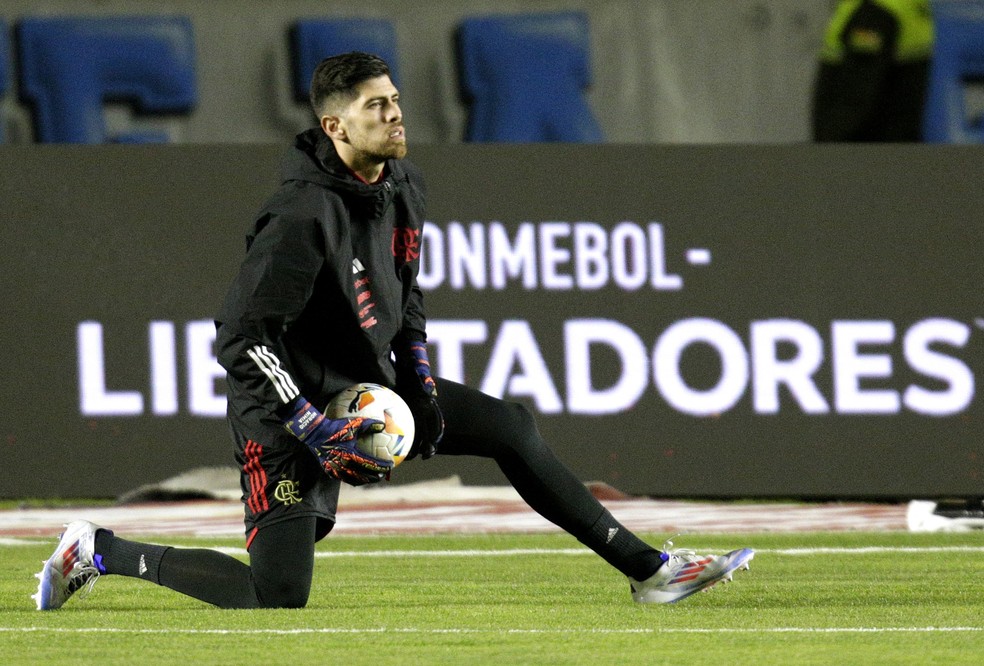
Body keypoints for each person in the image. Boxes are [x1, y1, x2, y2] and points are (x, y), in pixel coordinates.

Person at [33, 52, 753, 610]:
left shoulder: (402, 186)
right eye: (376, 107)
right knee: (275, 594)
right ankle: (97, 551)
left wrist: (422, 384)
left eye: (397, 101)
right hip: (284, 411)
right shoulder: (301, 216)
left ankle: (651, 571)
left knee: (510, 426)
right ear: (335, 127)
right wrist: (309, 422)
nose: (396, 115)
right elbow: (242, 336)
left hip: (367, 391)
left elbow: (405, 296)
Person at [811, 0, 934, 142]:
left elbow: (856, 93)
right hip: (898, 141)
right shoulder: (909, 7)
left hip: (864, 146)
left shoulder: (874, 13)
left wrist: (830, 143)